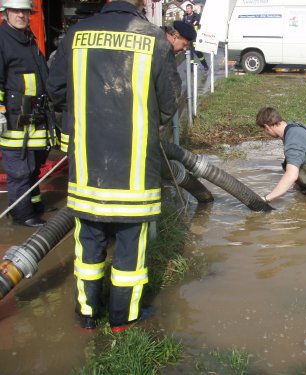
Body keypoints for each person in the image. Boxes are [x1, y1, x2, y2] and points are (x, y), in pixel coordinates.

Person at [46, 0, 182, 332]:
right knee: (130, 254)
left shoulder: (76, 34)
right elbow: (169, 103)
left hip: (88, 168)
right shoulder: (153, 39)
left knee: (88, 243)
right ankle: (122, 320)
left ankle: (87, 316)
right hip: (135, 172)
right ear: (141, 4)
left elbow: (56, 90)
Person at [0, 0, 57, 227]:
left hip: (33, 117)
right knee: (20, 171)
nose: (21, 15)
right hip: (14, 120)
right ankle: (21, 214)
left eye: (24, 11)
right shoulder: (3, 40)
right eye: (16, 10)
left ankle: (34, 204)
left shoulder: (27, 38)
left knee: (33, 165)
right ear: (5, 13)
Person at [182, 3, 209, 71]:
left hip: (195, 38)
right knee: (189, 53)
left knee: (198, 52)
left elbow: (195, 24)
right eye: (186, 9)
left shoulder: (196, 16)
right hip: (188, 38)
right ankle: (191, 68)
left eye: (189, 8)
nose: (187, 10)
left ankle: (205, 65)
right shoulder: (185, 17)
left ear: (192, 9)